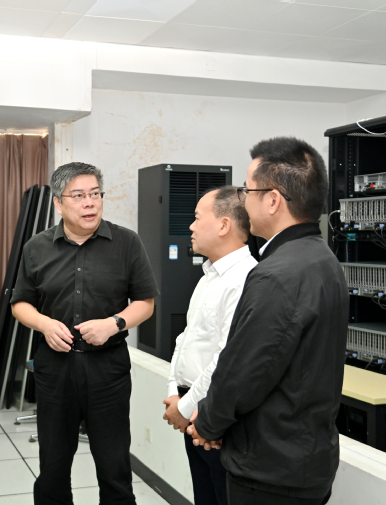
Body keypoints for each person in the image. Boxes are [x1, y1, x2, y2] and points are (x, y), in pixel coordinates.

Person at [186, 137, 348, 505]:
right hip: (306, 458)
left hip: (270, 470)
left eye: (248, 190)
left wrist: (208, 423)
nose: (243, 199)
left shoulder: (277, 274)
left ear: (273, 200)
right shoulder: (324, 261)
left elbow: (244, 371)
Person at [10, 162, 159, 505]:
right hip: (55, 369)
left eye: (95, 194)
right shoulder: (36, 247)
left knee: (114, 466)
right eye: (78, 196)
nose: (89, 203)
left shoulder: (126, 242)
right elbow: (20, 304)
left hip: (108, 369)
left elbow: (145, 303)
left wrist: (114, 324)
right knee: (53, 467)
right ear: (58, 203)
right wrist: (44, 324)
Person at [163, 186, 257, 505]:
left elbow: (226, 359)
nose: (190, 226)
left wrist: (184, 407)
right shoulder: (208, 276)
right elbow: (185, 338)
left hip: (217, 418)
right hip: (192, 411)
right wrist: (174, 392)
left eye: (197, 217)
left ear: (223, 225)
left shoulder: (245, 279)